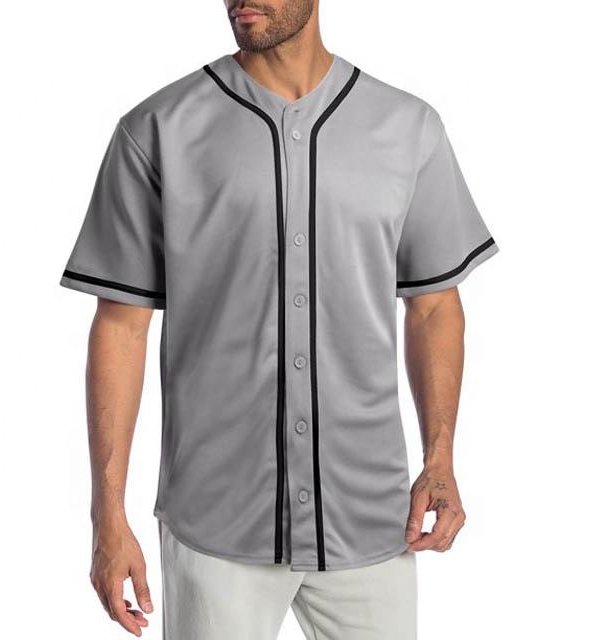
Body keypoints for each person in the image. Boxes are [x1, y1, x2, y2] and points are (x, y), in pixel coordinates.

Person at [60, 1, 498, 638]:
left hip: (371, 517)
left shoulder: (408, 127)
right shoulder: (157, 129)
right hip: (216, 521)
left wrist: (440, 459)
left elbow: (433, 305)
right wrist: (108, 517)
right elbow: (120, 327)